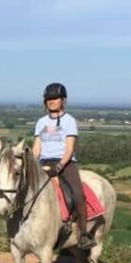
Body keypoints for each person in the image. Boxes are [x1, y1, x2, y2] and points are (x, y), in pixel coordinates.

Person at [32, 82, 96, 250]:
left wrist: (59, 167)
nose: (51, 101)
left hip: (65, 163)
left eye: (55, 98)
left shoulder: (69, 121)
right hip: (44, 162)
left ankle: (83, 235)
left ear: (63, 100)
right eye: (48, 99)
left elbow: (69, 149)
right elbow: (37, 148)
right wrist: (32, 165)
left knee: (78, 195)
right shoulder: (41, 122)